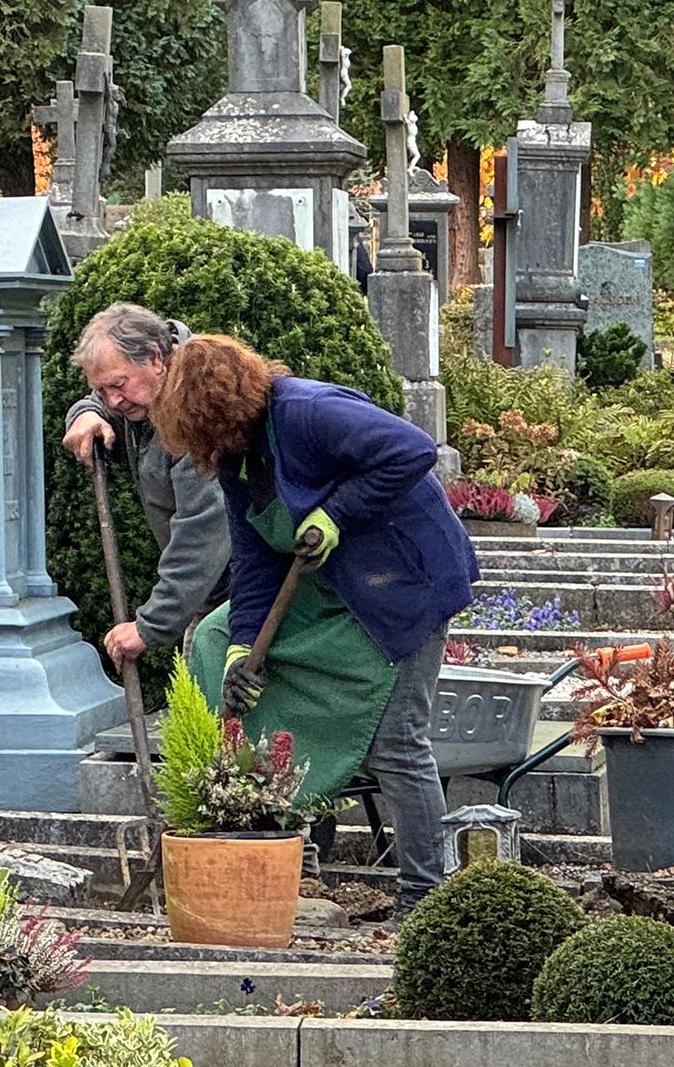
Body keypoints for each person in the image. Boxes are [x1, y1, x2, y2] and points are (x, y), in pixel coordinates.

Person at [149, 333, 479, 912]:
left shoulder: (308, 411)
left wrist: (335, 514)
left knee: (398, 743)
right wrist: (242, 649)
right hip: (336, 588)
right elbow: (253, 559)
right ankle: (284, 852)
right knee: (218, 640)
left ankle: (426, 897)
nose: (206, 446)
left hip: (405, 580)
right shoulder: (236, 456)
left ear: (226, 408)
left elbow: (414, 450)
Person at [63, 303, 231, 665]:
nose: (113, 400)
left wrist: (149, 625)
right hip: (215, 597)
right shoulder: (149, 392)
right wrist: (86, 413)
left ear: (155, 358)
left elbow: (202, 530)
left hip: (244, 598)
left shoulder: (195, 411)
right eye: (101, 389)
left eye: (117, 385)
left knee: (225, 715)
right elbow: (104, 400)